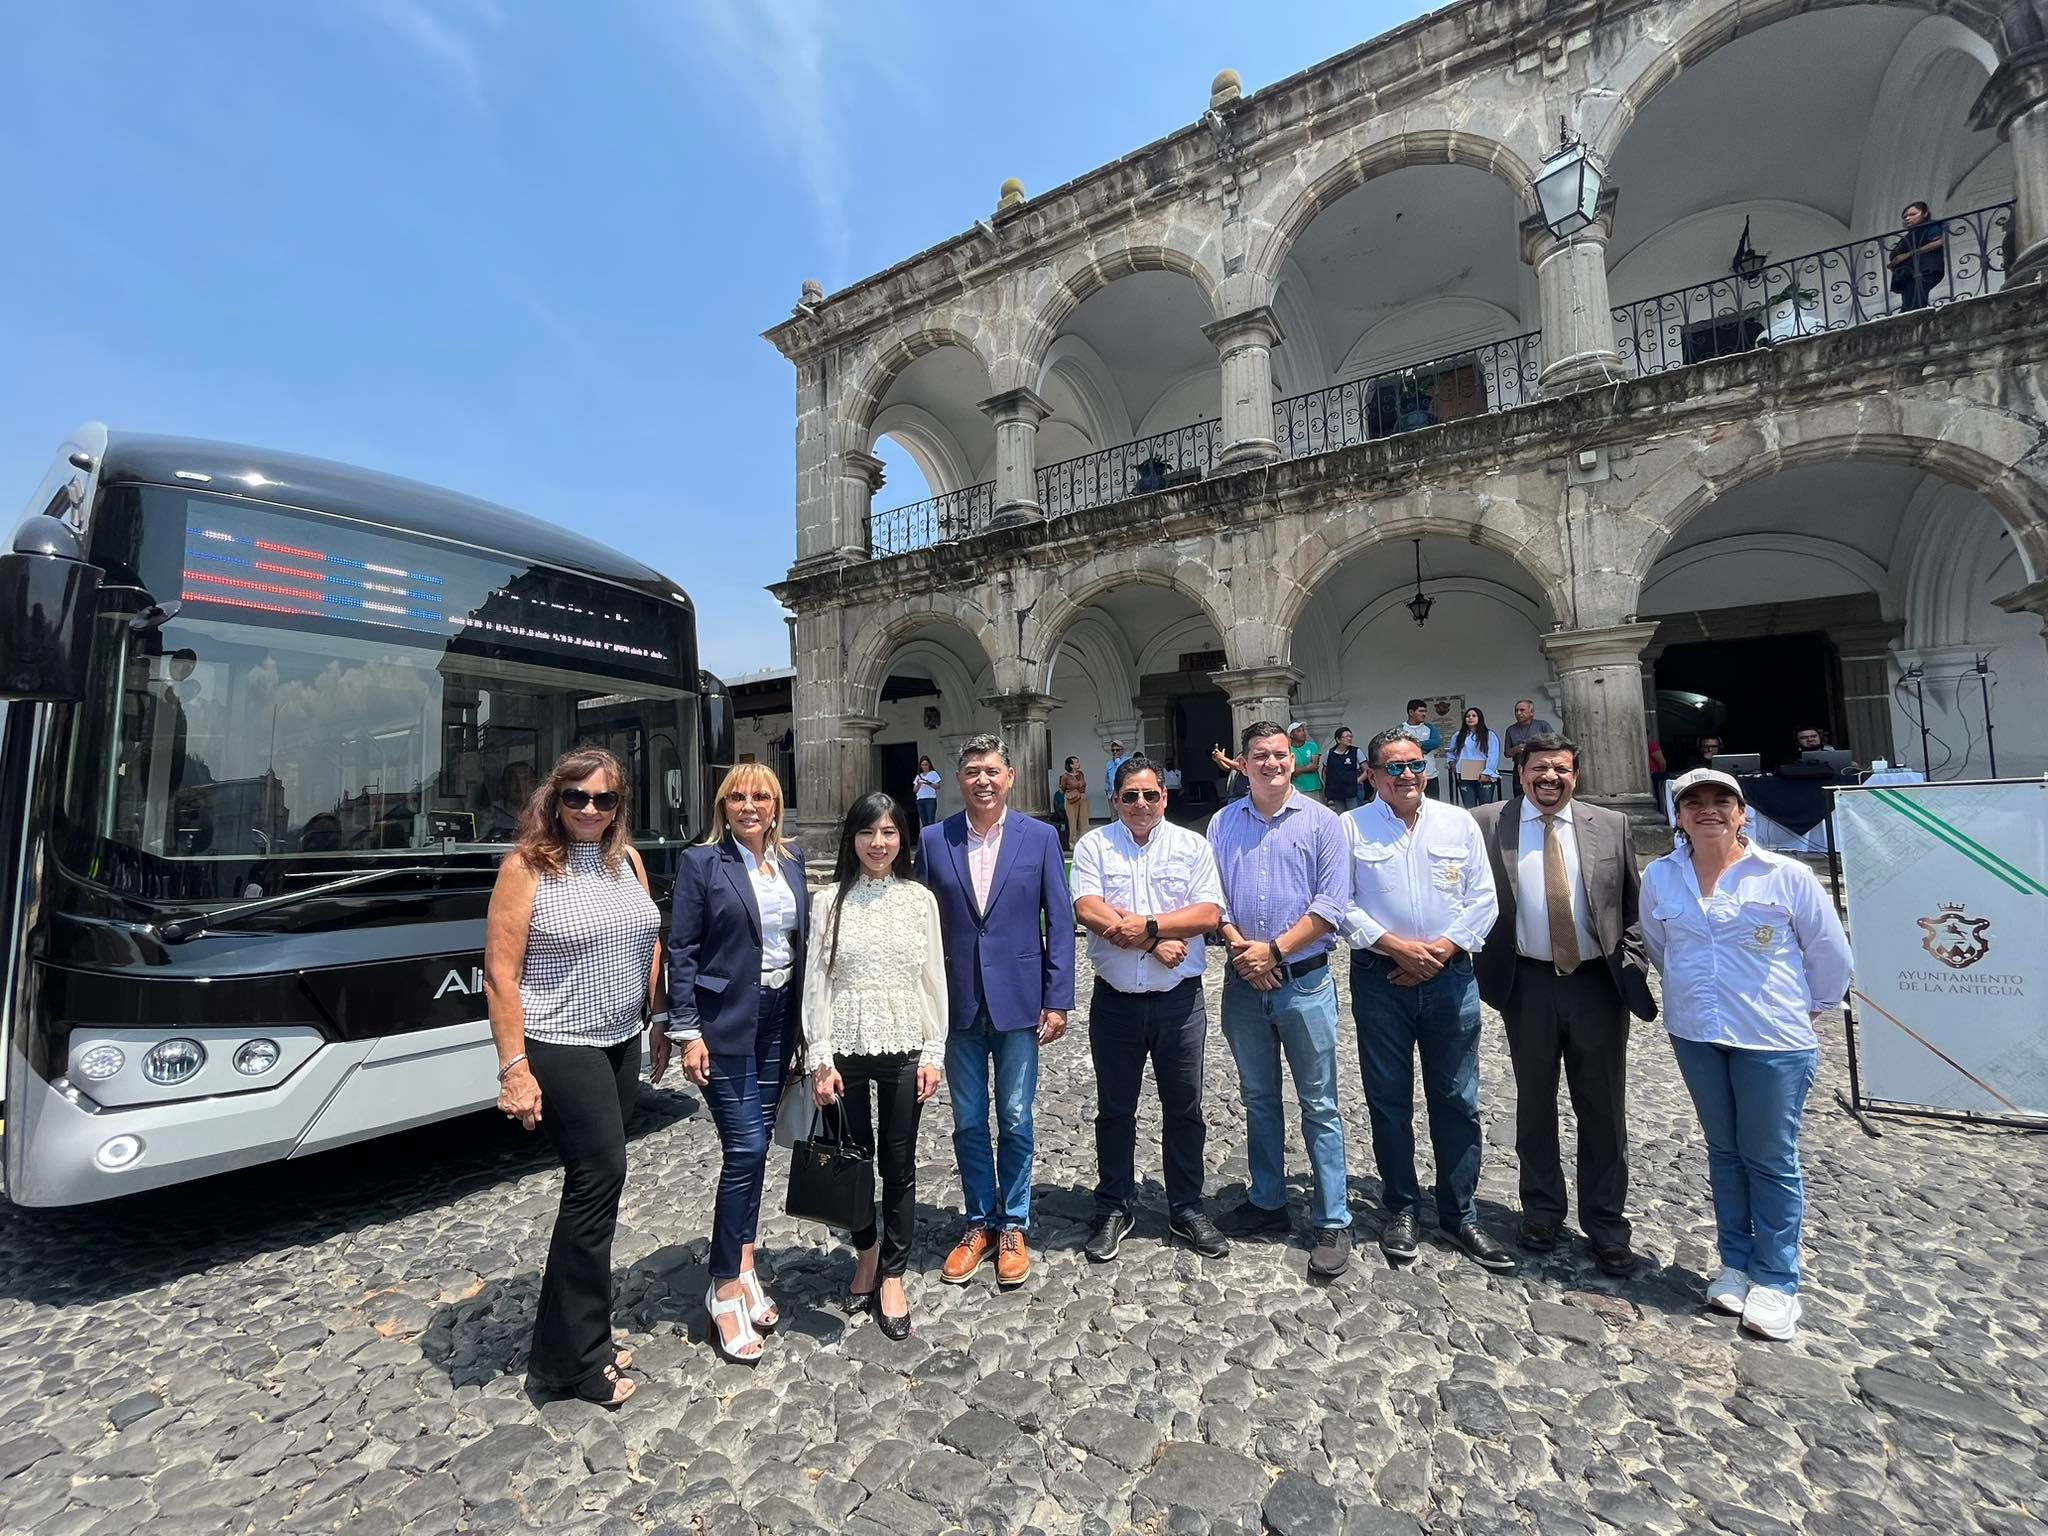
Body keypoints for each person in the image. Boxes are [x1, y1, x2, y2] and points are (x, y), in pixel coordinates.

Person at [1643, 768, 1851, 1342]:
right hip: (1697, 1031)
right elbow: (1660, 946)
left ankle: (1778, 1279)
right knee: (1724, 1151)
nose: (1708, 810)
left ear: (1742, 813)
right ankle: (1734, 1262)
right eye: (1695, 803)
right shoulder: (1661, 877)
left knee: (1770, 1157)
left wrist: (1814, 1005)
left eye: (1721, 801)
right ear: (1678, 817)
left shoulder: (1786, 875)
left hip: (1772, 1037)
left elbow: (1828, 950)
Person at [485, 746, 662, 1407]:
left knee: (596, 1192)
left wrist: (658, 1015)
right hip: (560, 1044)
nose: (590, 809)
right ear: (553, 801)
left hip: (620, 1042)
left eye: (604, 799)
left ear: (620, 806)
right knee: (598, 1179)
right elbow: (501, 974)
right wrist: (514, 1068)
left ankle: (572, 1338)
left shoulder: (628, 861)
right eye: (577, 798)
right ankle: (575, 1366)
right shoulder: (527, 867)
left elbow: (648, 937)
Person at [1471, 735, 1657, 1275]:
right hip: (1524, 983)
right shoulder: (1487, 823)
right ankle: (1542, 1210)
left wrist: (1633, 964)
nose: (1549, 778)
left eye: (1561, 769)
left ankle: (1606, 1224)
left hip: (1597, 985)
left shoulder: (1611, 825)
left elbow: (1633, 906)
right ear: (1520, 772)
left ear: (1576, 774)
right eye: (1538, 769)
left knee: (1602, 1107)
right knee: (1534, 1102)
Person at [1340, 728, 1511, 1272]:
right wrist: (1395, 949)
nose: (1408, 775)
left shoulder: (1457, 821)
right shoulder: (1350, 827)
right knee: (1388, 1100)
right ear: (1371, 774)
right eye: (1394, 767)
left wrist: (1437, 951)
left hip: (1451, 976)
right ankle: (1401, 1207)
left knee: (1458, 1099)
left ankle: (1460, 1214)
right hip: (1380, 978)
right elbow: (1339, 903)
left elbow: (1483, 898)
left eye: (1415, 765)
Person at [920, 733, 1075, 1288]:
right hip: (957, 1002)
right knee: (966, 1120)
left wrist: (1058, 997)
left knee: (1014, 1115)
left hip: (1019, 999)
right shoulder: (934, 840)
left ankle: (1013, 1222)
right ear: (957, 780)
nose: (982, 780)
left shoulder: (1040, 838)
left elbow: (1060, 920)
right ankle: (978, 1221)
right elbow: (920, 925)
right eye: (971, 772)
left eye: (992, 771)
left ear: (1009, 777)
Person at [667, 763, 808, 1365]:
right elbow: (682, 948)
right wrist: (685, 1032)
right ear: (722, 805)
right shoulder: (703, 863)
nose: (749, 805)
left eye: (761, 796)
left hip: (777, 1017)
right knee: (746, 1148)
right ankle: (724, 1285)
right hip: (723, 1023)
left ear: (776, 805)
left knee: (757, 1150)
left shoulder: (792, 864)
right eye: (738, 796)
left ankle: (746, 1262)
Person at [1207, 721, 1354, 1279]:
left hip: (1306, 983)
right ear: (1241, 764)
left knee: (1320, 1103)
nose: (1271, 763)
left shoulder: (1323, 822)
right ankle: (1268, 1199)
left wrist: (1273, 951)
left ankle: (1333, 1215)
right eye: (1259, 756)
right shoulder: (1223, 822)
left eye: (1280, 755)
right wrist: (1247, 951)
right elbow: (1211, 898)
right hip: (1244, 981)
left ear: (1294, 761)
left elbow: (1331, 904)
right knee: (1259, 1098)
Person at [1070, 755, 1230, 1263]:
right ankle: (1114, 1204)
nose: (1142, 804)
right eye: (1130, 796)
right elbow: (1088, 909)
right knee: (1115, 1109)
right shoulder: (1094, 844)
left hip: (1179, 1004)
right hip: (1114, 1003)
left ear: (1166, 795)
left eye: (1151, 795)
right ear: (1115, 799)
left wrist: (1151, 928)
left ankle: (1186, 1206)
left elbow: (1207, 912)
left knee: (1185, 1108)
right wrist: (1154, 942)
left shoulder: (1192, 845)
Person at [802, 794, 946, 1342]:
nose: (878, 843)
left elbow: (933, 976)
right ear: (852, 840)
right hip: (845, 1050)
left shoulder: (919, 900)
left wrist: (934, 1049)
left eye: (889, 832)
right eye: (867, 833)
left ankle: (893, 1273)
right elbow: (817, 983)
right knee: (854, 1161)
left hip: (905, 1046)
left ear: (902, 840)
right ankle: (865, 1254)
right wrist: (819, 1057)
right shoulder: (827, 902)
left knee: (900, 1162)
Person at [1888, 201, 1948, 312]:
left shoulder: (1930, 226)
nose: (1907, 218)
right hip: (1908, 274)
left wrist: (1908, 255)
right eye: (1905, 216)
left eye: (1912, 214)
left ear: (1924, 213)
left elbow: (1938, 242)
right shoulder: (1909, 236)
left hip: (1925, 268)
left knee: (1918, 297)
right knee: (1908, 301)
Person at [1447, 707, 1502, 808]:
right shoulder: (1458, 735)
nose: (1470, 718)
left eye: (1474, 716)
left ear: (1479, 718)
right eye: (1468, 716)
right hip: (1465, 776)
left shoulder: (1489, 735)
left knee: (1485, 808)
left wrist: (1487, 772)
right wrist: (1452, 762)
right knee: (1470, 808)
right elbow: (1450, 751)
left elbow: (1493, 754)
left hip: (1484, 777)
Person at [1502, 699, 1555, 781]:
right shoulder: (1510, 730)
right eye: (1516, 710)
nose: (1518, 713)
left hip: (1541, 766)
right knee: (1520, 793)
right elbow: (1507, 754)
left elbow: (1555, 744)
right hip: (1520, 767)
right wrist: (1518, 748)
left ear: (1531, 712)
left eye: (1522, 710)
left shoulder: (1542, 725)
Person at [482, 760, 536, 840]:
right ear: (502, 787)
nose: (520, 786)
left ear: (534, 785)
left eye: (525, 780)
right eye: (513, 780)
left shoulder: (543, 815)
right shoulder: (489, 816)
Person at [1400, 700, 1444, 799]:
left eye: (1425, 711)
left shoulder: (1430, 728)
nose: (1424, 714)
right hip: (1410, 777)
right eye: (1421, 711)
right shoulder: (1401, 729)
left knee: (1433, 807)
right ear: (1411, 712)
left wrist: (1415, 744)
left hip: (1430, 776)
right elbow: (1401, 748)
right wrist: (1424, 746)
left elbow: (1436, 742)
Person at [1323, 726, 1364, 813]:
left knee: (1354, 813)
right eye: (1346, 737)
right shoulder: (1330, 753)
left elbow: (1367, 769)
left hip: (1352, 789)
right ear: (1338, 739)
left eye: (1350, 736)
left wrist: (1359, 780)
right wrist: (1327, 786)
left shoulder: (1356, 751)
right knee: (1341, 814)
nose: (1349, 738)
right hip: (1336, 790)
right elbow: (1325, 770)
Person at [1059, 755, 1090, 849]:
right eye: (1076, 762)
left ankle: (1084, 842)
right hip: (1071, 800)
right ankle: (1073, 843)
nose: (1078, 764)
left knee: (1084, 821)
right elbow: (1062, 789)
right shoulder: (1065, 776)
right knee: (1072, 822)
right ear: (1071, 765)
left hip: (1082, 798)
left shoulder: (1081, 774)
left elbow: (1084, 785)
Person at [1288, 722, 1323, 802]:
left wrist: (1299, 769)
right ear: (1291, 735)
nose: (1303, 733)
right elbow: (1291, 772)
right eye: (1298, 731)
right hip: (1298, 789)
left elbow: (1314, 766)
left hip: (1315, 787)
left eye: (1303, 730)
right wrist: (1307, 767)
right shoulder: (1288, 750)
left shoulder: (1312, 746)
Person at [913, 756, 942, 827]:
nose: (924, 766)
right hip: (920, 800)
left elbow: (938, 786)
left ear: (929, 765)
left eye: (926, 764)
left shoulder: (933, 773)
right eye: (922, 765)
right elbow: (914, 790)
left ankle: (932, 836)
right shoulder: (919, 776)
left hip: (930, 799)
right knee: (924, 822)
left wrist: (928, 783)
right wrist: (918, 784)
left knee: (930, 821)